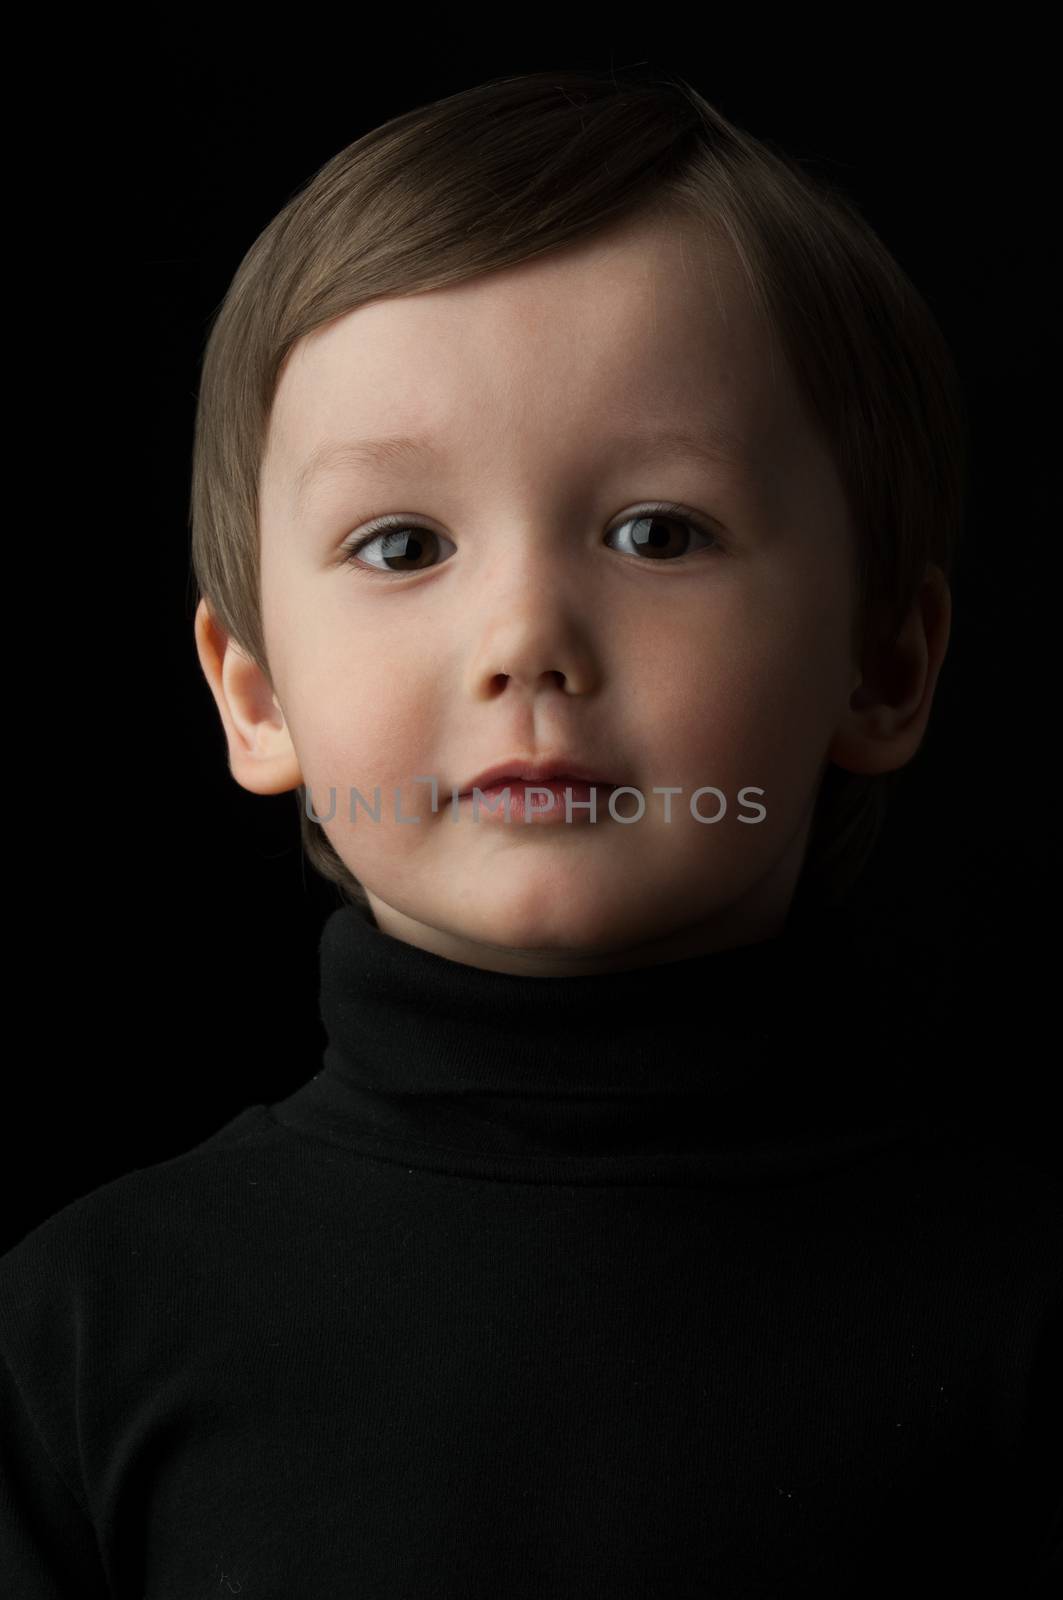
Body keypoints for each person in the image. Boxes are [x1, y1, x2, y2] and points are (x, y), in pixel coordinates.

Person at [2, 66, 1059, 1597]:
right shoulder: (81, 1338)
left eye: (658, 533)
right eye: (402, 544)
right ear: (254, 697)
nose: (526, 638)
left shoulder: (1021, 1316)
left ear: (884, 664)